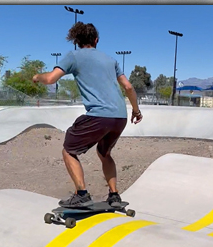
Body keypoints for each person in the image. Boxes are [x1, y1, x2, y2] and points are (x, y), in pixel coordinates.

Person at [33, 21, 143, 207]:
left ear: (76, 41)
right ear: (96, 40)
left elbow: (51, 78)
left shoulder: (73, 56)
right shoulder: (111, 60)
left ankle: (82, 193)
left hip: (99, 115)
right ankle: (114, 195)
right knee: (104, 152)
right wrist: (136, 110)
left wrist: (37, 77)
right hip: (120, 117)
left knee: (68, 150)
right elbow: (128, 86)